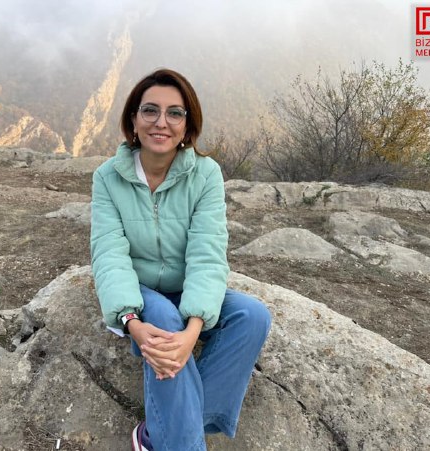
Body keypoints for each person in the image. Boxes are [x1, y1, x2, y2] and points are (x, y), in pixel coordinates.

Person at [90, 68, 272, 451]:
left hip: (186, 286)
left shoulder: (205, 175)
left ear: (188, 126)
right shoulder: (108, 177)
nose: (162, 122)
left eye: (175, 113)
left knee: (252, 316)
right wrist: (131, 322)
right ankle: (185, 442)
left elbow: (208, 253)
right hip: (140, 288)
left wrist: (193, 332)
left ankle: (161, 432)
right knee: (161, 317)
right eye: (150, 111)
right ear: (133, 121)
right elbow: (109, 254)